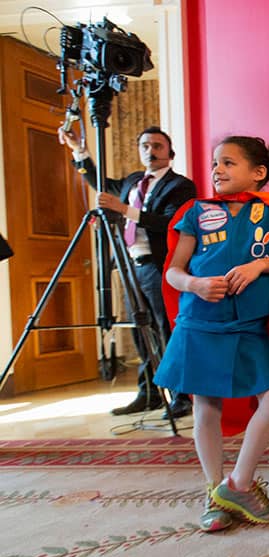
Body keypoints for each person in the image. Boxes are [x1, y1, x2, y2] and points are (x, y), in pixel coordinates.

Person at [154, 136, 269, 532]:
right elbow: (174, 270)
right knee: (207, 408)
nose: (217, 169)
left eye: (228, 163)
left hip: (248, 327)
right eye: (215, 163)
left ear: (258, 173)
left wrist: (261, 266)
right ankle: (212, 492)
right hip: (201, 324)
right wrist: (195, 285)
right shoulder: (196, 211)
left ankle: (237, 483)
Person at [59, 126, 196, 419]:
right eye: (145, 145)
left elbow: (170, 222)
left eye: (157, 145)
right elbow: (102, 184)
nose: (150, 150)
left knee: (165, 329)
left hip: (160, 266)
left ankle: (181, 396)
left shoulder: (180, 186)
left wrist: (124, 210)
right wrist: (78, 151)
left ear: (169, 153)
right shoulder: (133, 181)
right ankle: (148, 394)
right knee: (139, 330)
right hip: (130, 265)